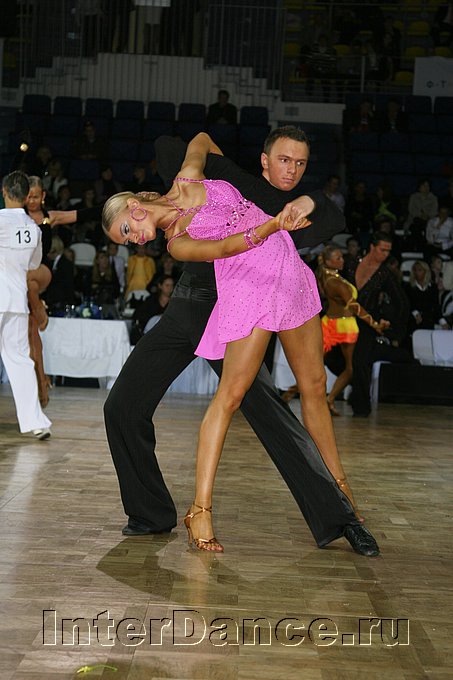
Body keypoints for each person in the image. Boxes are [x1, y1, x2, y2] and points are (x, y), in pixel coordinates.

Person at [101, 129, 380, 557]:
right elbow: (182, 147)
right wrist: (218, 183)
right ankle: (150, 512)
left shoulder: (262, 194)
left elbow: (321, 213)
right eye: (284, 160)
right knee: (121, 405)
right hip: (191, 304)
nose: (291, 169)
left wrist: (271, 200)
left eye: (299, 163)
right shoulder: (185, 215)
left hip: (243, 298)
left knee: (270, 412)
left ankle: (340, 516)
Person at [0, 171, 52, 440]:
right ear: (24, 196)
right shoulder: (34, 229)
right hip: (17, 301)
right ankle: (36, 423)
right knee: (19, 360)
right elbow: (33, 265)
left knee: (19, 359)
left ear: (5, 192)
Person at [348, 232, 412, 417]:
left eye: (388, 251)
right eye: (382, 250)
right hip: (344, 320)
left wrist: (389, 322)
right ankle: (352, 395)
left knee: (360, 362)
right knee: (338, 359)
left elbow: (402, 302)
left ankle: (361, 407)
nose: (385, 254)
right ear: (372, 247)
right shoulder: (351, 264)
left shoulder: (385, 274)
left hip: (368, 324)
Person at [25, 175, 53, 407]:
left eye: (35, 196)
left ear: (43, 196)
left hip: (41, 271)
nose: (32, 200)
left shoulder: (50, 217)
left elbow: (82, 214)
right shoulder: (15, 218)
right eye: (28, 196)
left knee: (30, 279)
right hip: (25, 282)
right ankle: (41, 382)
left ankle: (39, 310)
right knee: (32, 334)